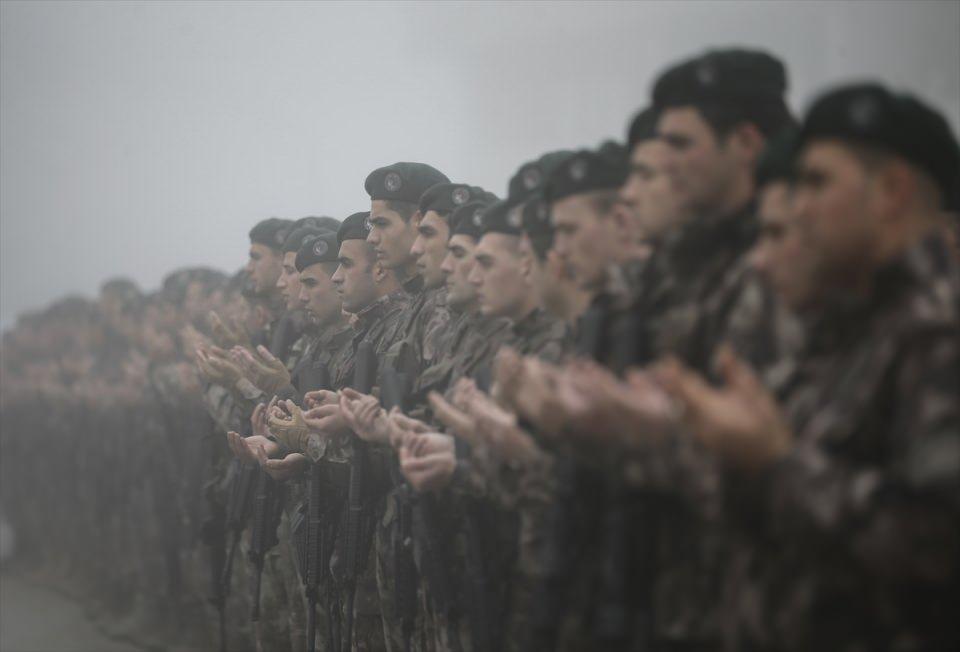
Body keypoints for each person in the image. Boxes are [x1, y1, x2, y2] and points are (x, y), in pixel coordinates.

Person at [663, 82, 960, 651]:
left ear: (892, 191)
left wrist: (778, 461)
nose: (798, 206)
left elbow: (936, 544)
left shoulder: (938, 332)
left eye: (817, 183)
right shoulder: (848, 330)